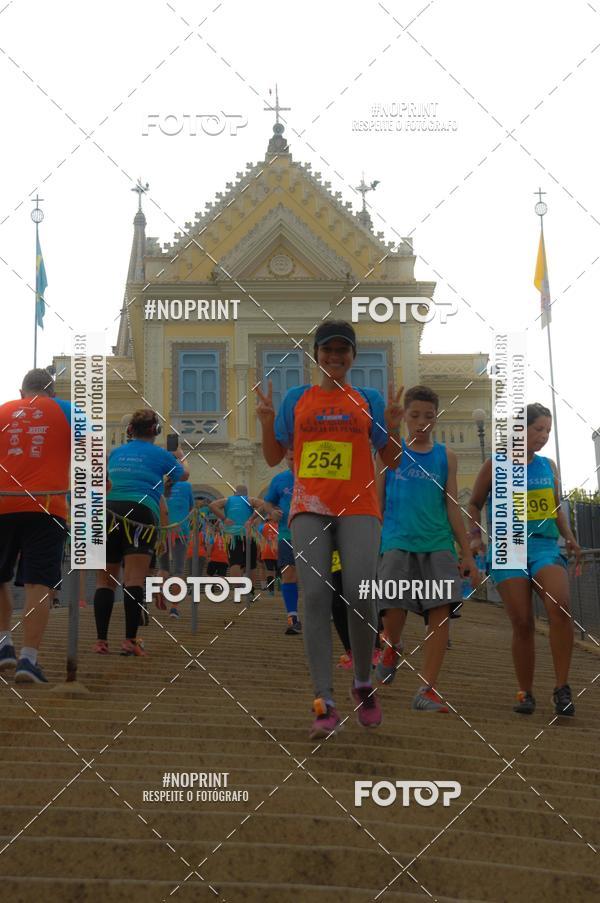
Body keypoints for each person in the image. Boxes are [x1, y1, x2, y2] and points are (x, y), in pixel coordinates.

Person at [256, 320, 404, 740]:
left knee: (359, 594)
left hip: (359, 506)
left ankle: (361, 681)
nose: (335, 357)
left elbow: (391, 460)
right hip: (309, 506)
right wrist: (267, 421)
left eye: (343, 351)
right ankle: (324, 699)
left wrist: (391, 424)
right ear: (315, 353)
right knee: (317, 595)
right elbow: (272, 457)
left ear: (353, 356)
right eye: (327, 350)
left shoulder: (368, 399)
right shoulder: (297, 399)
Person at [468, 402, 581, 716]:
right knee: (522, 622)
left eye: (547, 430)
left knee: (560, 605)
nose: (543, 436)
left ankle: (562, 688)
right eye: (538, 429)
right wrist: (475, 537)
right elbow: (474, 504)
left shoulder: (548, 466)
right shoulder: (495, 464)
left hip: (544, 547)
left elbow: (556, 509)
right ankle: (525, 692)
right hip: (507, 549)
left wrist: (569, 537)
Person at [374, 385, 480, 711]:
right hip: (396, 540)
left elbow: (451, 505)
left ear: (436, 418)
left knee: (441, 610)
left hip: (437, 543)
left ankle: (427, 688)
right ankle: (391, 645)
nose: (421, 422)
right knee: (392, 603)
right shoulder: (389, 452)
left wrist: (466, 553)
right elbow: (377, 503)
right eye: (415, 415)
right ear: (404, 416)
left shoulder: (445, 456)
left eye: (429, 416)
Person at [92, 409, 189, 656]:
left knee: (105, 580)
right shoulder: (160, 454)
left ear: (129, 431)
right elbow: (184, 474)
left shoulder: (115, 453)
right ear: (156, 432)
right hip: (141, 512)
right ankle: (129, 641)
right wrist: (177, 459)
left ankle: (101, 641)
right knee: (134, 579)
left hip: (110, 511)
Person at [0, 369, 72, 683]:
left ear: (21, 392)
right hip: (47, 504)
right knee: (38, 582)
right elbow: (92, 459)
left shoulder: (2, 411)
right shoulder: (68, 411)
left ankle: (3, 645)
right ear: (52, 393)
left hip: (2, 502)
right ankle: (28, 660)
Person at [262, 448, 301, 634]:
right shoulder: (279, 480)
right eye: (290, 459)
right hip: (287, 533)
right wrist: (271, 512)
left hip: (314, 534)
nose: (293, 462)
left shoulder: (314, 477)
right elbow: (267, 502)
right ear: (285, 458)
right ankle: (292, 616)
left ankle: (322, 611)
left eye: (297, 458)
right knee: (288, 573)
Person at [209, 486, 264, 593]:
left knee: (235, 563)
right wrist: (252, 518)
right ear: (246, 493)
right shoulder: (249, 499)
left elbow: (212, 505)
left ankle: (237, 591)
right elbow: (263, 504)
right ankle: (251, 591)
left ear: (234, 492)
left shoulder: (227, 500)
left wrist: (224, 518)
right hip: (248, 534)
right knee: (251, 564)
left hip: (232, 535)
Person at [159, 478, 195, 618]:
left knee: (163, 568)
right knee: (178, 570)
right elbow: (191, 508)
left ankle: (161, 590)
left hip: (162, 531)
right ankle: (174, 608)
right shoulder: (186, 486)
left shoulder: (160, 485)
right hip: (181, 531)